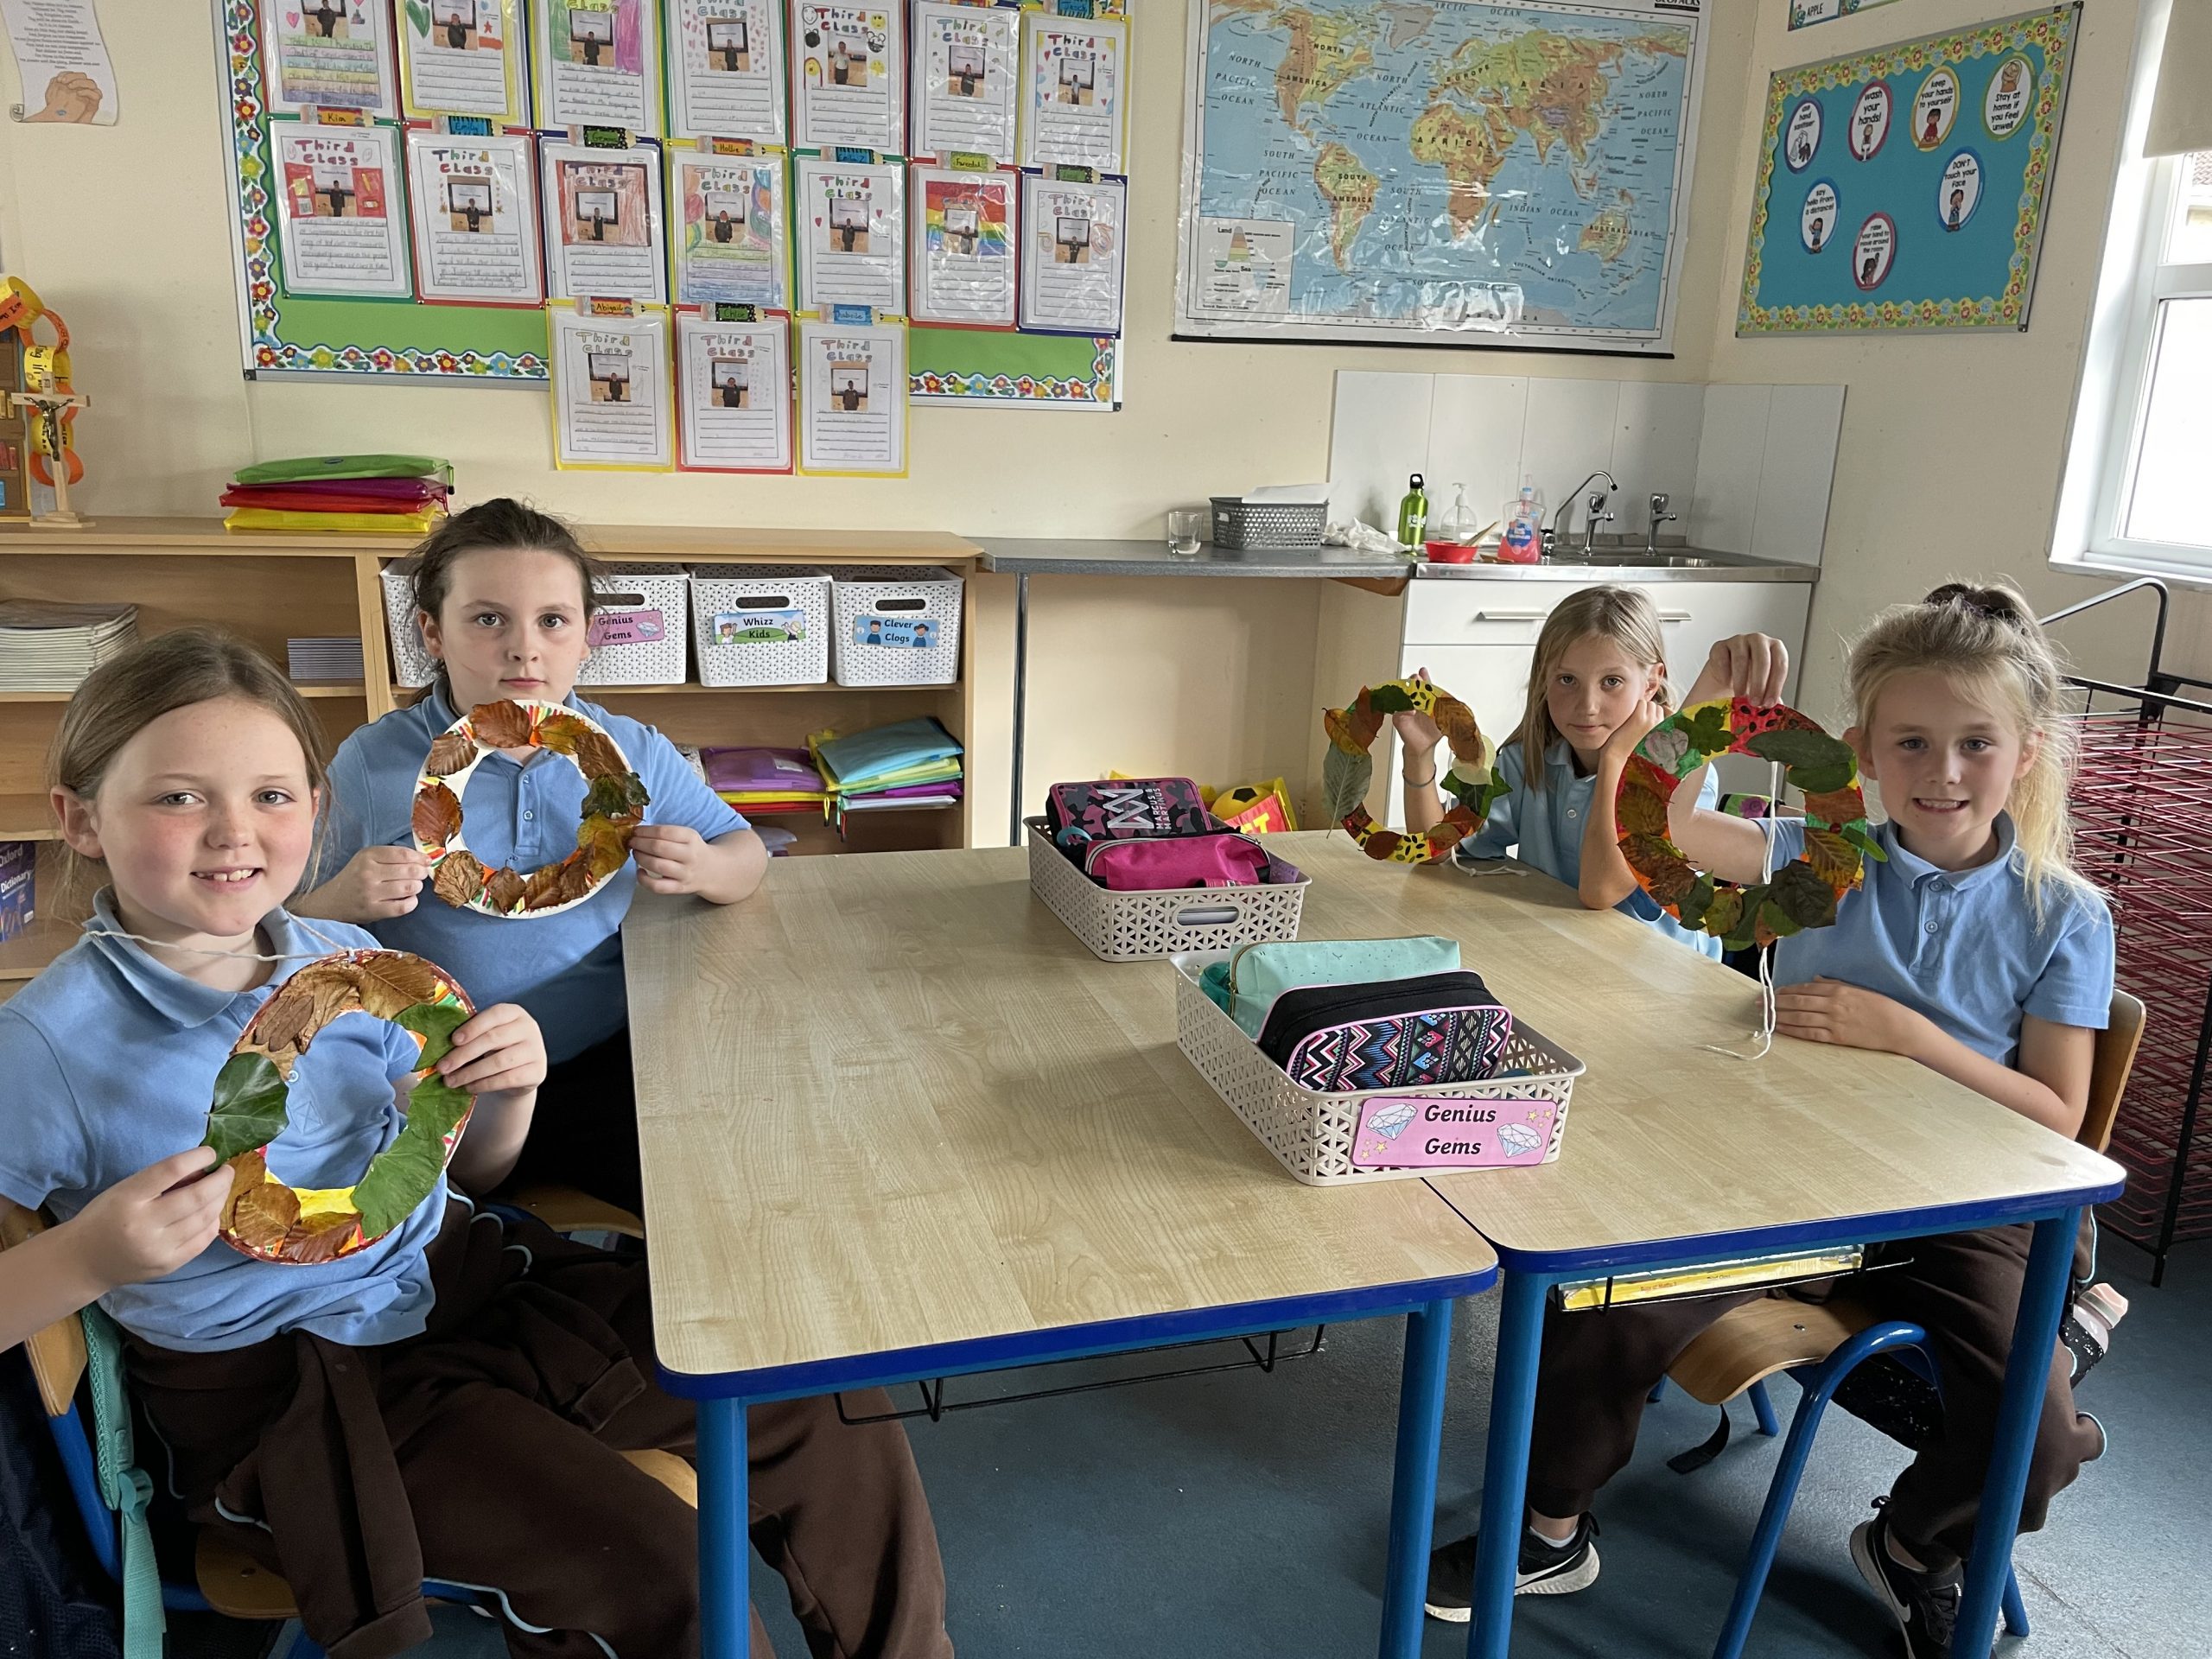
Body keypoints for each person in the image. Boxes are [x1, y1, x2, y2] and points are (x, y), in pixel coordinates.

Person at [0, 628, 952, 1657]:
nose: (234, 831)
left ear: (315, 808)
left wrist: (507, 1098)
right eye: (179, 797)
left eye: (270, 794)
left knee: (814, 1389)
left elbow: (465, 1176)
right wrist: (90, 1256)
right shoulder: (46, 1047)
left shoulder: (350, 961)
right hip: (286, 1387)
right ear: (81, 819)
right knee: (653, 1573)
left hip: (463, 1288)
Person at [1423, 584, 2114, 1659]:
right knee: (1606, 1306)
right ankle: (1548, 1532)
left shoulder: (2061, 912)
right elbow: (1657, 825)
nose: (1941, 772)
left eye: (1975, 743)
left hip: (1960, 1210)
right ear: (1862, 753)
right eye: (1911, 742)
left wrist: (1908, 1036)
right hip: (1782, 1181)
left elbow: (2059, 1114)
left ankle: (1914, 1548)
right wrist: (1700, 705)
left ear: (2023, 753)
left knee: (2039, 1444)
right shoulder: (1818, 853)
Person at [298, 500, 768, 1216]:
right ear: (432, 632)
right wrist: (336, 900)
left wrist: (707, 867)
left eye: (553, 620)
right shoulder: (374, 762)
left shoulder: (630, 752)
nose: (524, 649)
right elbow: (274, 916)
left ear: (586, 637)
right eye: (489, 619)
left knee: (714, 1197)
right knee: (411, 1224)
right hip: (437, 1072)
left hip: (601, 1057)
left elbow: (747, 851)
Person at [1395, 584, 1742, 959]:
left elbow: (1601, 892)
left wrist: (1615, 760)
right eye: (1567, 680)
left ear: (1651, 683)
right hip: (1564, 952)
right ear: (1544, 678)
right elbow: (1437, 849)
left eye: (1611, 682)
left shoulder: (1683, 777)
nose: (1587, 705)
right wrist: (1419, 753)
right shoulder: (1526, 760)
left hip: (1666, 971)